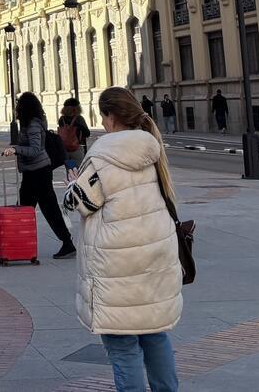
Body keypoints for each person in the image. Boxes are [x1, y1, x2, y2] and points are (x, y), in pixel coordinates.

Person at [62, 87, 182, 392]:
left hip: (117, 263)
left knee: (123, 346)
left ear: (111, 117)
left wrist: (73, 185)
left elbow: (81, 202)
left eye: (103, 116)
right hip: (155, 256)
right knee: (155, 335)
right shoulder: (152, 148)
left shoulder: (103, 156)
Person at [2, 92, 76, 260]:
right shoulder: (30, 124)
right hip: (33, 172)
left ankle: (65, 243)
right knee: (27, 208)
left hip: (39, 172)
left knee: (38, 209)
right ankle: (17, 244)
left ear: (24, 108)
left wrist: (16, 149)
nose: (17, 108)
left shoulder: (33, 125)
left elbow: (35, 150)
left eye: (19, 105)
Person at [59, 98, 92, 181]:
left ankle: (71, 188)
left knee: (70, 171)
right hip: (77, 149)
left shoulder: (61, 119)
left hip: (65, 150)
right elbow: (87, 133)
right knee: (79, 172)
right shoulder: (79, 119)